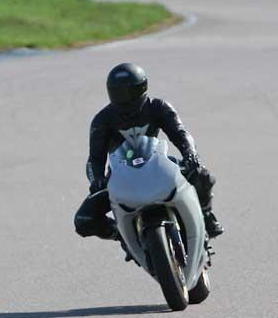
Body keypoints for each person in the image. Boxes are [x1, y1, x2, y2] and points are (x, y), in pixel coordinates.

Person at [74, 63, 224, 240]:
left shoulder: (158, 107)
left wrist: (191, 154)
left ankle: (206, 215)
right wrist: (96, 181)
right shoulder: (102, 119)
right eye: (118, 93)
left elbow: (181, 133)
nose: (124, 99)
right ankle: (121, 234)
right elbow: (94, 160)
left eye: (130, 92)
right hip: (121, 177)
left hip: (158, 164)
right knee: (84, 220)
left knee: (203, 176)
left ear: (143, 88)